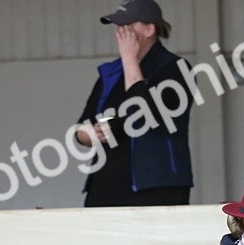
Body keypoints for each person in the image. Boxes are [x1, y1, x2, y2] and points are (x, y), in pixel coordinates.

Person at [74, 0, 193, 207]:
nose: (121, 33)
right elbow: (82, 126)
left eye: (128, 26)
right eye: (119, 27)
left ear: (149, 29)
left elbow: (146, 114)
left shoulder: (176, 69)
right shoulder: (110, 73)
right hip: (106, 185)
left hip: (157, 186)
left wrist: (130, 60)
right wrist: (88, 134)